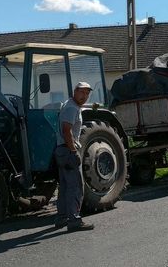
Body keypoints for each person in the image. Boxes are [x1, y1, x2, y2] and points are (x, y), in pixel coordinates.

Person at [54, 81, 95, 232]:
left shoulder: (69, 105)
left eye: (87, 93)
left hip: (61, 150)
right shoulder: (72, 108)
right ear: (75, 91)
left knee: (64, 186)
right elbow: (67, 130)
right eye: (82, 92)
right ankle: (74, 220)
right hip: (67, 150)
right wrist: (73, 151)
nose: (84, 96)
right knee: (76, 186)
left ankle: (62, 217)